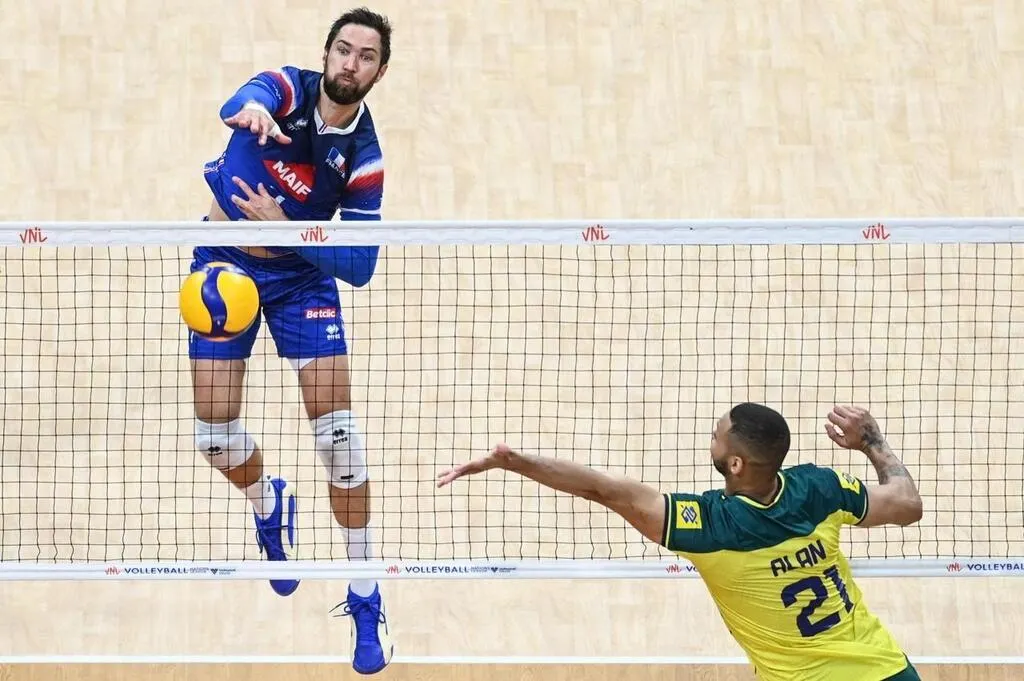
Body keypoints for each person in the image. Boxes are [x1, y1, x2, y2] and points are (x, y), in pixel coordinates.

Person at [188, 7, 393, 675]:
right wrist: (248, 111)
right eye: (342, 49)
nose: (349, 63)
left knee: (342, 445)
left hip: (302, 277)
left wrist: (287, 230)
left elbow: (359, 266)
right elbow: (239, 100)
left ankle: (365, 593)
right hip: (223, 261)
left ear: (379, 72)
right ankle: (270, 504)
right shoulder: (286, 87)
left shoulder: (363, 158)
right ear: (326, 53)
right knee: (214, 436)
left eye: (365, 56)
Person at [438, 403, 924, 681]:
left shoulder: (710, 528)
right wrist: (872, 443)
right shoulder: (820, 488)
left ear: (735, 464)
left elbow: (603, 489)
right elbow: (906, 504)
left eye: (718, 436)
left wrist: (513, 462)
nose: (713, 436)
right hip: (887, 669)